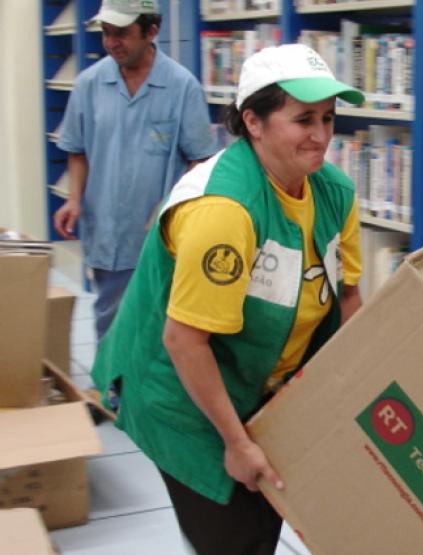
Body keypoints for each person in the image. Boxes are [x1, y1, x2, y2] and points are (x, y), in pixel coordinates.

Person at [91, 43, 365, 555]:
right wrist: (237, 443)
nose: (322, 135)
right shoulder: (225, 209)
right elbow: (184, 339)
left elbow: (347, 297)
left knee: (268, 517)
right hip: (180, 393)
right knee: (233, 535)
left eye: (329, 118)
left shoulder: (334, 192)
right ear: (253, 122)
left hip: (260, 382)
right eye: (303, 118)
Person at [54, 0, 218, 340]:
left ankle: (146, 392)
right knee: (110, 320)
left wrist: (170, 203)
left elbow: (200, 159)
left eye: (123, 33)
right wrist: (74, 200)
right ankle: (108, 390)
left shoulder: (182, 87)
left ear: (152, 31)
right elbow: (77, 150)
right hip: (108, 228)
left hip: (160, 231)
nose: (112, 42)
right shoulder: (89, 84)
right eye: (106, 33)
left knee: (160, 325)